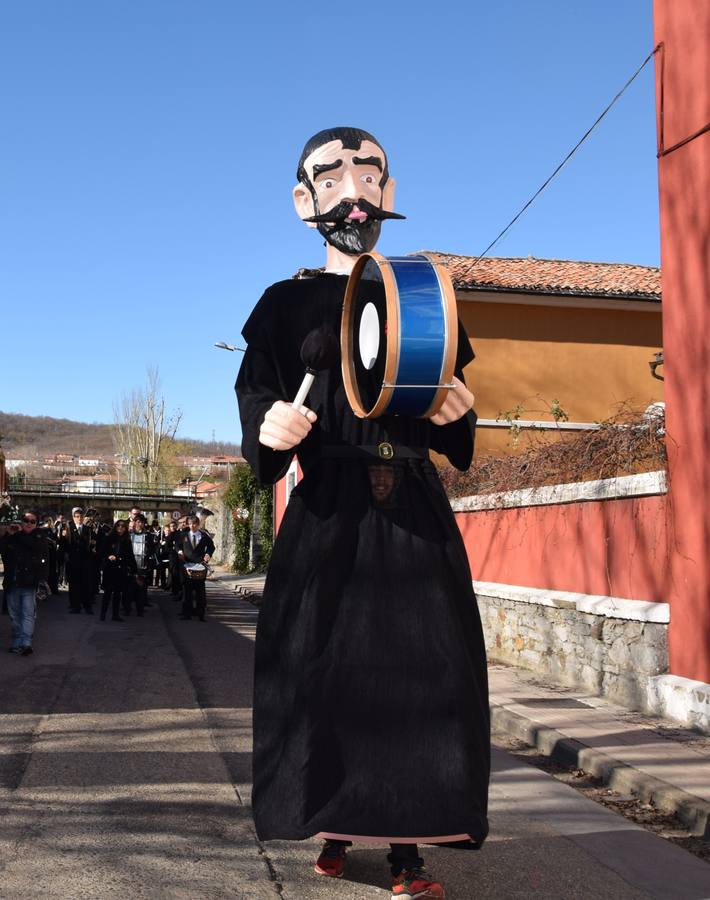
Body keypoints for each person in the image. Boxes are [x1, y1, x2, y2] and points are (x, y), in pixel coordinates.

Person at [235, 126, 485, 900]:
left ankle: (410, 848)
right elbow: (255, 409)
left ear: (390, 193)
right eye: (332, 177)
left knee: (421, 678)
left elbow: (457, 414)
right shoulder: (283, 304)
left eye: (369, 174)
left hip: (413, 512)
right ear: (303, 201)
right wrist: (267, 429)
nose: (353, 190)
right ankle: (335, 823)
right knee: (326, 674)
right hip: (327, 513)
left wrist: (459, 415)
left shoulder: (421, 292)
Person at [0, 512, 49, 655]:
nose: (28, 523)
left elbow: (35, 547)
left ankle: (26, 643)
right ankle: (16, 642)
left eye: (32, 521)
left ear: (36, 524)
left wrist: (43, 580)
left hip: (29, 583)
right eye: (26, 520)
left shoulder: (39, 536)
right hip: (13, 582)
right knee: (14, 616)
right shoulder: (13, 536)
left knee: (27, 614)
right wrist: (8, 534)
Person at [61, 507, 99, 614]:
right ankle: (75, 606)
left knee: (86, 585)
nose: (79, 519)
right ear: (73, 517)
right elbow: (64, 545)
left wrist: (93, 543)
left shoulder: (88, 529)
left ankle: (87, 606)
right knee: (73, 585)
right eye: (77, 517)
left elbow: (94, 542)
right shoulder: (68, 527)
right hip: (72, 561)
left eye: (81, 516)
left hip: (85, 561)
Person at [177, 515, 213, 621]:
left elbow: (211, 546)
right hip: (186, 564)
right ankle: (186, 613)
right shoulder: (184, 535)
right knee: (187, 591)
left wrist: (208, 554)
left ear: (198, 524)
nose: (192, 526)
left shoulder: (203, 536)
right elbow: (177, 546)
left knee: (200, 592)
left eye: (194, 524)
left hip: (200, 565)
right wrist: (179, 551)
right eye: (190, 524)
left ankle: (200, 614)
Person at [98, 519, 132, 622]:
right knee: (108, 592)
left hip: (121, 569)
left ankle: (115, 615)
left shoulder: (127, 540)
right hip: (110, 569)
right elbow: (102, 551)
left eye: (122, 526)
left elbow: (129, 555)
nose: (120, 528)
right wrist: (109, 556)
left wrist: (133, 568)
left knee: (118, 593)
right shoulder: (109, 538)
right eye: (118, 526)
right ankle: (103, 614)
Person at [126, 514, 157, 616]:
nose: (139, 524)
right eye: (138, 522)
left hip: (143, 566)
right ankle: (127, 609)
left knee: (141, 589)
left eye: (142, 522)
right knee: (128, 589)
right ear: (134, 523)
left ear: (144, 524)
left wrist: (148, 554)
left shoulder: (148, 536)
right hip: (130, 565)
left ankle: (140, 610)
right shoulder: (129, 535)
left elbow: (153, 549)